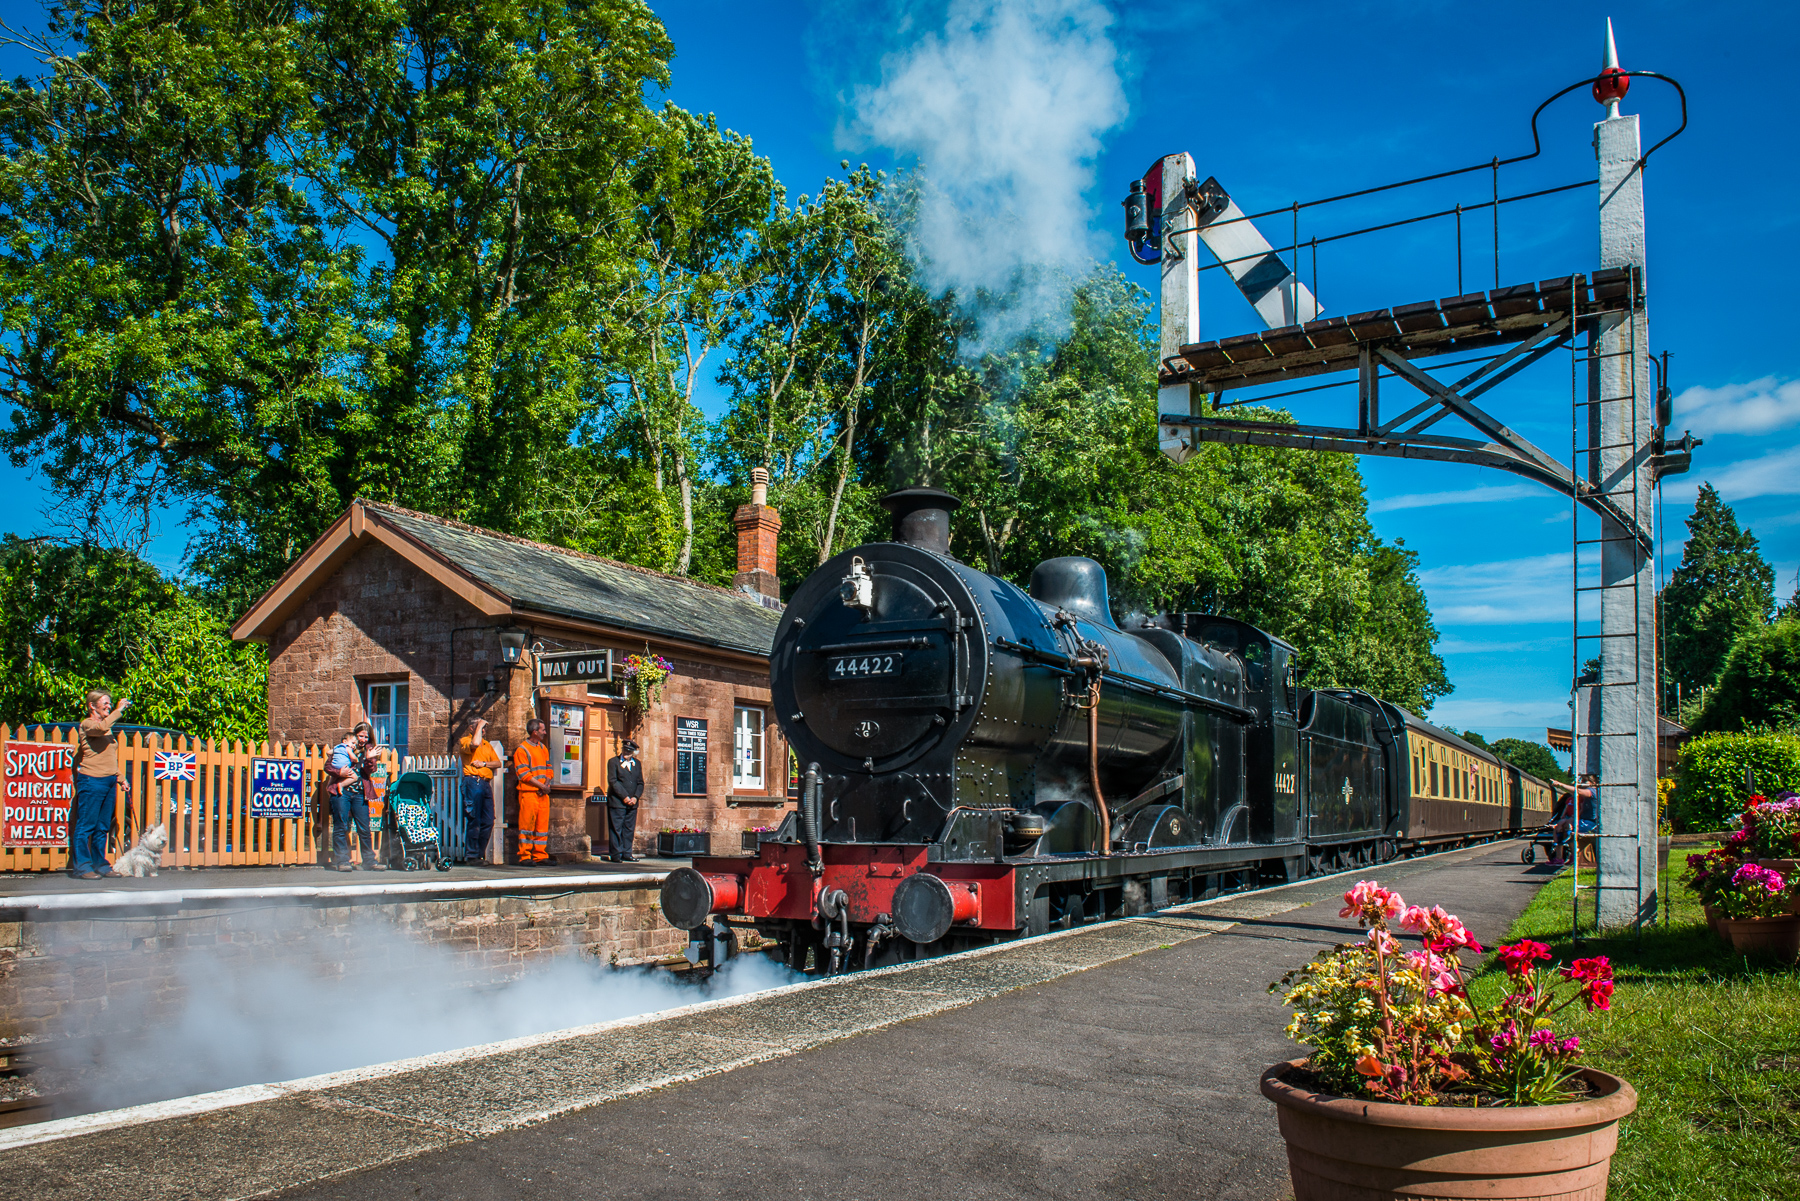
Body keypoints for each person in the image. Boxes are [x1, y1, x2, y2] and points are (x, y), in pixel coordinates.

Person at [70, 690, 131, 879]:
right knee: (86, 825)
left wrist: (121, 777)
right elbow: (102, 727)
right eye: (105, 703)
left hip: (109, 781)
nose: (109, 706)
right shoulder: (88, 724)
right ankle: (83, 867)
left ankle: (101, 865)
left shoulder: (107, 727)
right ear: (92, 706)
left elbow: (107, 757)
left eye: (110, 703)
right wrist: (120, 710)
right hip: (91, 780)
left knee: (102, 826)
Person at [326, 722, 383, 872]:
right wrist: (340, 773)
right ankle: (342, 861)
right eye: (360, 736)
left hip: (359, 794)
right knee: (341, 826)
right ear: (355, 735)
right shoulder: (344, 747)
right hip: (341, 793)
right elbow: (328, 766)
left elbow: (371, 770)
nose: (363, 739)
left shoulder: (369, 751)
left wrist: (369, 759)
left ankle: (369, 861)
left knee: (364, 827)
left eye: (366, 736)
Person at [456, 718, 502, 865]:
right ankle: (472, 855)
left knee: (488, 820)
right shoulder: (465, 741)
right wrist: (480, 724)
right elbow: (474, 744)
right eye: (479, 728)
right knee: (474, 819)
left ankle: (479, 854)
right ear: (471, 728)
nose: (483, 731)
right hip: (472, 782)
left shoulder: (487, 745)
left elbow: (498, 763)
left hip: (484, 783)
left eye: (483, 728)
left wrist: (484, 764)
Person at [512, 719, 552, 865]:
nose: (545, 732)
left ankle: (540, 855)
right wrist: (542, 787)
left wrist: (545, 785)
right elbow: (523, 774)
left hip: (542, 794)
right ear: (535, 732)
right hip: (528, 793)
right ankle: (524, 856)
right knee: (527, 826)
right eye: (543, 730)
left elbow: (549, 769)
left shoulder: (543, 748)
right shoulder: (522, 750)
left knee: (542, 826)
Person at [605, 739, 645, 862]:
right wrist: (625, 797)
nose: (627, 753)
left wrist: (635, 797)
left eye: (629, 751)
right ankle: (616, 854)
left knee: (629, 829)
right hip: (617, 802)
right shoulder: (613, 762)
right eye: (625, 750)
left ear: (633, 752)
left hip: (632, 803)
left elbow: (640, 783)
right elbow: (613, 781)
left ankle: (627, 853)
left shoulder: (637, 764)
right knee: (616, 828)